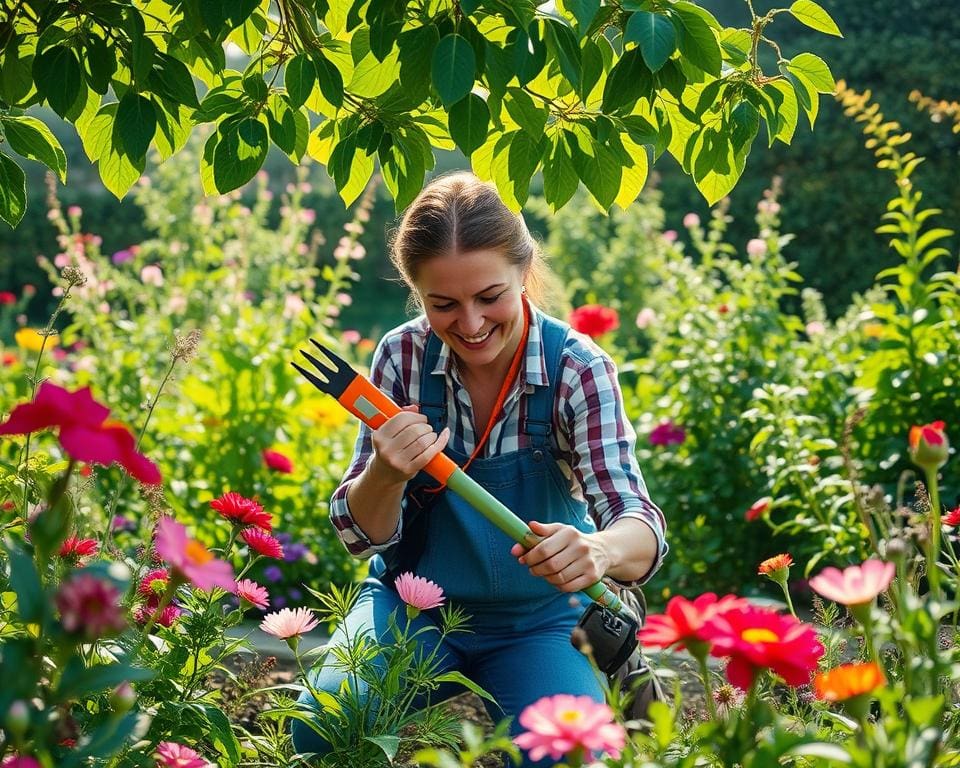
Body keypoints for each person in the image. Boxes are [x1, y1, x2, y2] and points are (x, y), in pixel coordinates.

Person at [292, 172, 667, 766]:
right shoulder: (402, 357)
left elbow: (638, 524)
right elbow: (360, 536)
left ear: (524, 271)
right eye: (443, 304)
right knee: (319, 730)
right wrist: (387, 473)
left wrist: (597, 551)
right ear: (418, 295)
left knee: (564, 755)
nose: (469, 324)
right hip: (412, 608)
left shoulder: (577, 368)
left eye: (489, 296)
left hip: (542, 621)